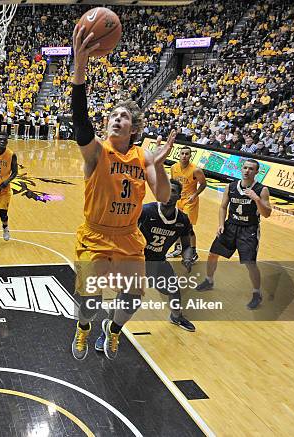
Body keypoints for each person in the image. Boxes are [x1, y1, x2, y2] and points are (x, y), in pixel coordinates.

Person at [70, 25, 174, 361]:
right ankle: (84, 328)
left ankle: (112, 332)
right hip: (96, 236)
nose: (117, 118)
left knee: (131, 299)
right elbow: (80, 121)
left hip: (129, 238)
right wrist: (80, 67)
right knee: (89, 304)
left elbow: (162, 197)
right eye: (113, 115)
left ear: (134, 127)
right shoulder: (96, 151)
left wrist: (157, 165)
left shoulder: (143, 156)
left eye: (124, 116)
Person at [94, 179, 196, 351]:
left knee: (173, 290)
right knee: (124, 298)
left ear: (179, 196)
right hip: (135, 261)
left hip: (158, 262)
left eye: (172, 191)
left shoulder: (183, 220)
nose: (167, 193)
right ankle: (106, 333)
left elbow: (187, 244)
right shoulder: (145, 211)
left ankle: (176, 316)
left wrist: (187, 258)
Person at [195, 159, 272, 309]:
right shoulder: (230, 187)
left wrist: (256, 199)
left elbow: (267, 213)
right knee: (212, 254)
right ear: (241, 169)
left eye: (251, 169)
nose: (247, 171)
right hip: (230, 226)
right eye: (245, 168)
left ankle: (257, 293)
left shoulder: (262, 190)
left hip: (249, 229)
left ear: (256, 172)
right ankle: (209, 280)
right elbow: (223, 207)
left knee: (250, 263)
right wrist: (221, 224)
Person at [167, 145, 206, 260]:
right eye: (182, 153)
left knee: (188, 227)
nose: (184, 156)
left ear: (190, 155)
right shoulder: (174, 167)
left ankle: (193, 252)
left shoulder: (196, 170)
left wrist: (195, 195)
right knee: (177, 224)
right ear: (179, 155)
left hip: (190, 201)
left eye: (187, 154)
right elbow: (174, 184)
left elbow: (204, 184)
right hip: (178, 199)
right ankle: (178, 249)